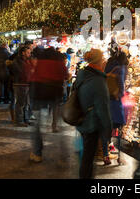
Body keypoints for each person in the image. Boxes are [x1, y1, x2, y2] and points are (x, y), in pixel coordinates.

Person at [76, 49, 112, 179]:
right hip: (91, 123)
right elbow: (103, 107)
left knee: (87, 155)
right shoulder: (98, 80)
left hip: (81, 118)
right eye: (103, 59)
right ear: (99, 61)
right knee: (88, 158)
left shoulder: (83, 74)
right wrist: (108, 128)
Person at [29, 47, 68, 162]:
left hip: (39, 95)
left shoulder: (40, 62)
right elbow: (66, 75)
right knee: (60, 124)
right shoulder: (60, 62)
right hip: (56, 94)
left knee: (36, 125)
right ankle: (62, 154)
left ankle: (37, 153)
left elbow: (34, 77)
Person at [103, 47, 128, 165]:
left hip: (105, 100)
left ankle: (105, 155)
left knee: (106, 129)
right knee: (118, 129)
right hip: (115, 101)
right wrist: (122, 94)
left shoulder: (107, 64)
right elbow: (121, 87)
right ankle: (119, 157)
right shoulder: (121, 68)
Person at [10, 46, 33, 127]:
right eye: (28, 52)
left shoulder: (27, 61)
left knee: (26, 103)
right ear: (23, 53)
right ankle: (18, 121)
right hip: (20, 84)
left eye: (30, 53)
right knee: (20, 104)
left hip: (26, 84)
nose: (29, 54)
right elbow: (20, 73)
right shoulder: (17, 61)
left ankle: (25, 119)